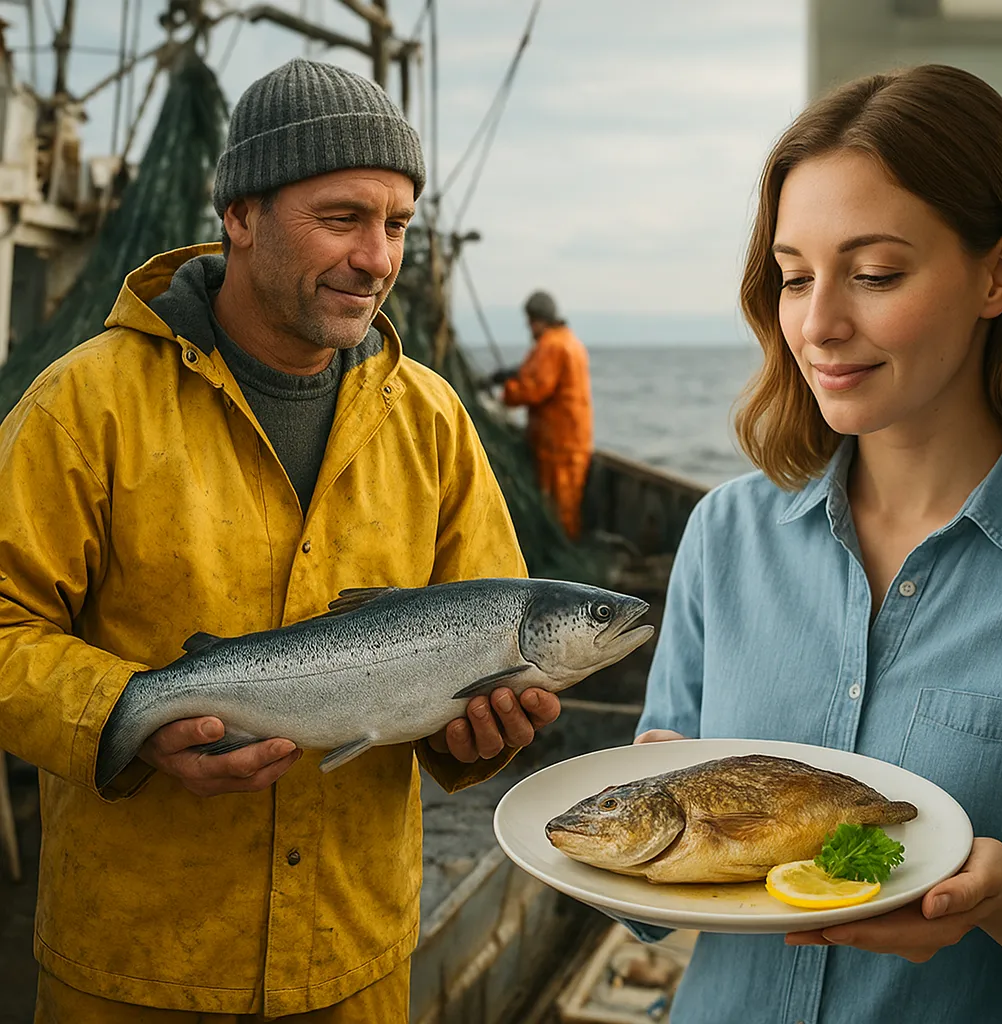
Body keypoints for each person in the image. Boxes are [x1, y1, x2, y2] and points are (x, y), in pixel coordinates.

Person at [0, 59, 561, 1022]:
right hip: (135, 973)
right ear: (241, 216)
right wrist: (126, 716)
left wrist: (480, 738)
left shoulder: (431, 420)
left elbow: (489, 641)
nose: (377, 258)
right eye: (342, 218)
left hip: (357, 965)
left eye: (397, 225)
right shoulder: (85, 406)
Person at [629, 64, 1002, 1021]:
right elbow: (645, 896)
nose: (818, 325)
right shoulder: (725, 535)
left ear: (999, 274)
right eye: (795, 277)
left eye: (875, 274)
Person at [490, 291, 593, 540]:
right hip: (571, 440)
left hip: (560, 444)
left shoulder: (552, 345)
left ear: (538, 319)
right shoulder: (569, 341)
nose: (528, 327)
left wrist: (506, 392)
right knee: (564, 504)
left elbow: (534, 388)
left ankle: (564, 550)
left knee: (561, 509)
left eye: (530, 320)